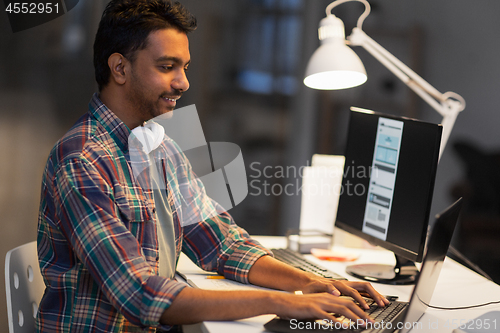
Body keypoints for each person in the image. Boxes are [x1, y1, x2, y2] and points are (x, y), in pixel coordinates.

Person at [36, 0, 389, 332]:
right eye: (166, 66)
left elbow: (221, 243)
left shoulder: (160, 147)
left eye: (184, 67)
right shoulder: (82, 160)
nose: (183, 82)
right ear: (119, 68)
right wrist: (282, 303)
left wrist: (312, 283)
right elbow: (140, 294)